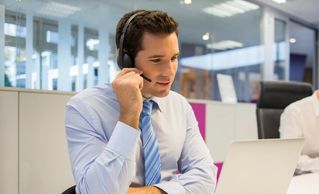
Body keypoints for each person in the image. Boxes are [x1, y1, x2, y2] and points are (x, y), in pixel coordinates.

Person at [65, 10, 217, 194]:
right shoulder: (85, 107)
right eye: (156, 60)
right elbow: (97, 191)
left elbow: (206, 176)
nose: (169, 72)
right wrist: (129, 116)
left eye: (174, 58)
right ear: (126, 59)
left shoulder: (179, 106)